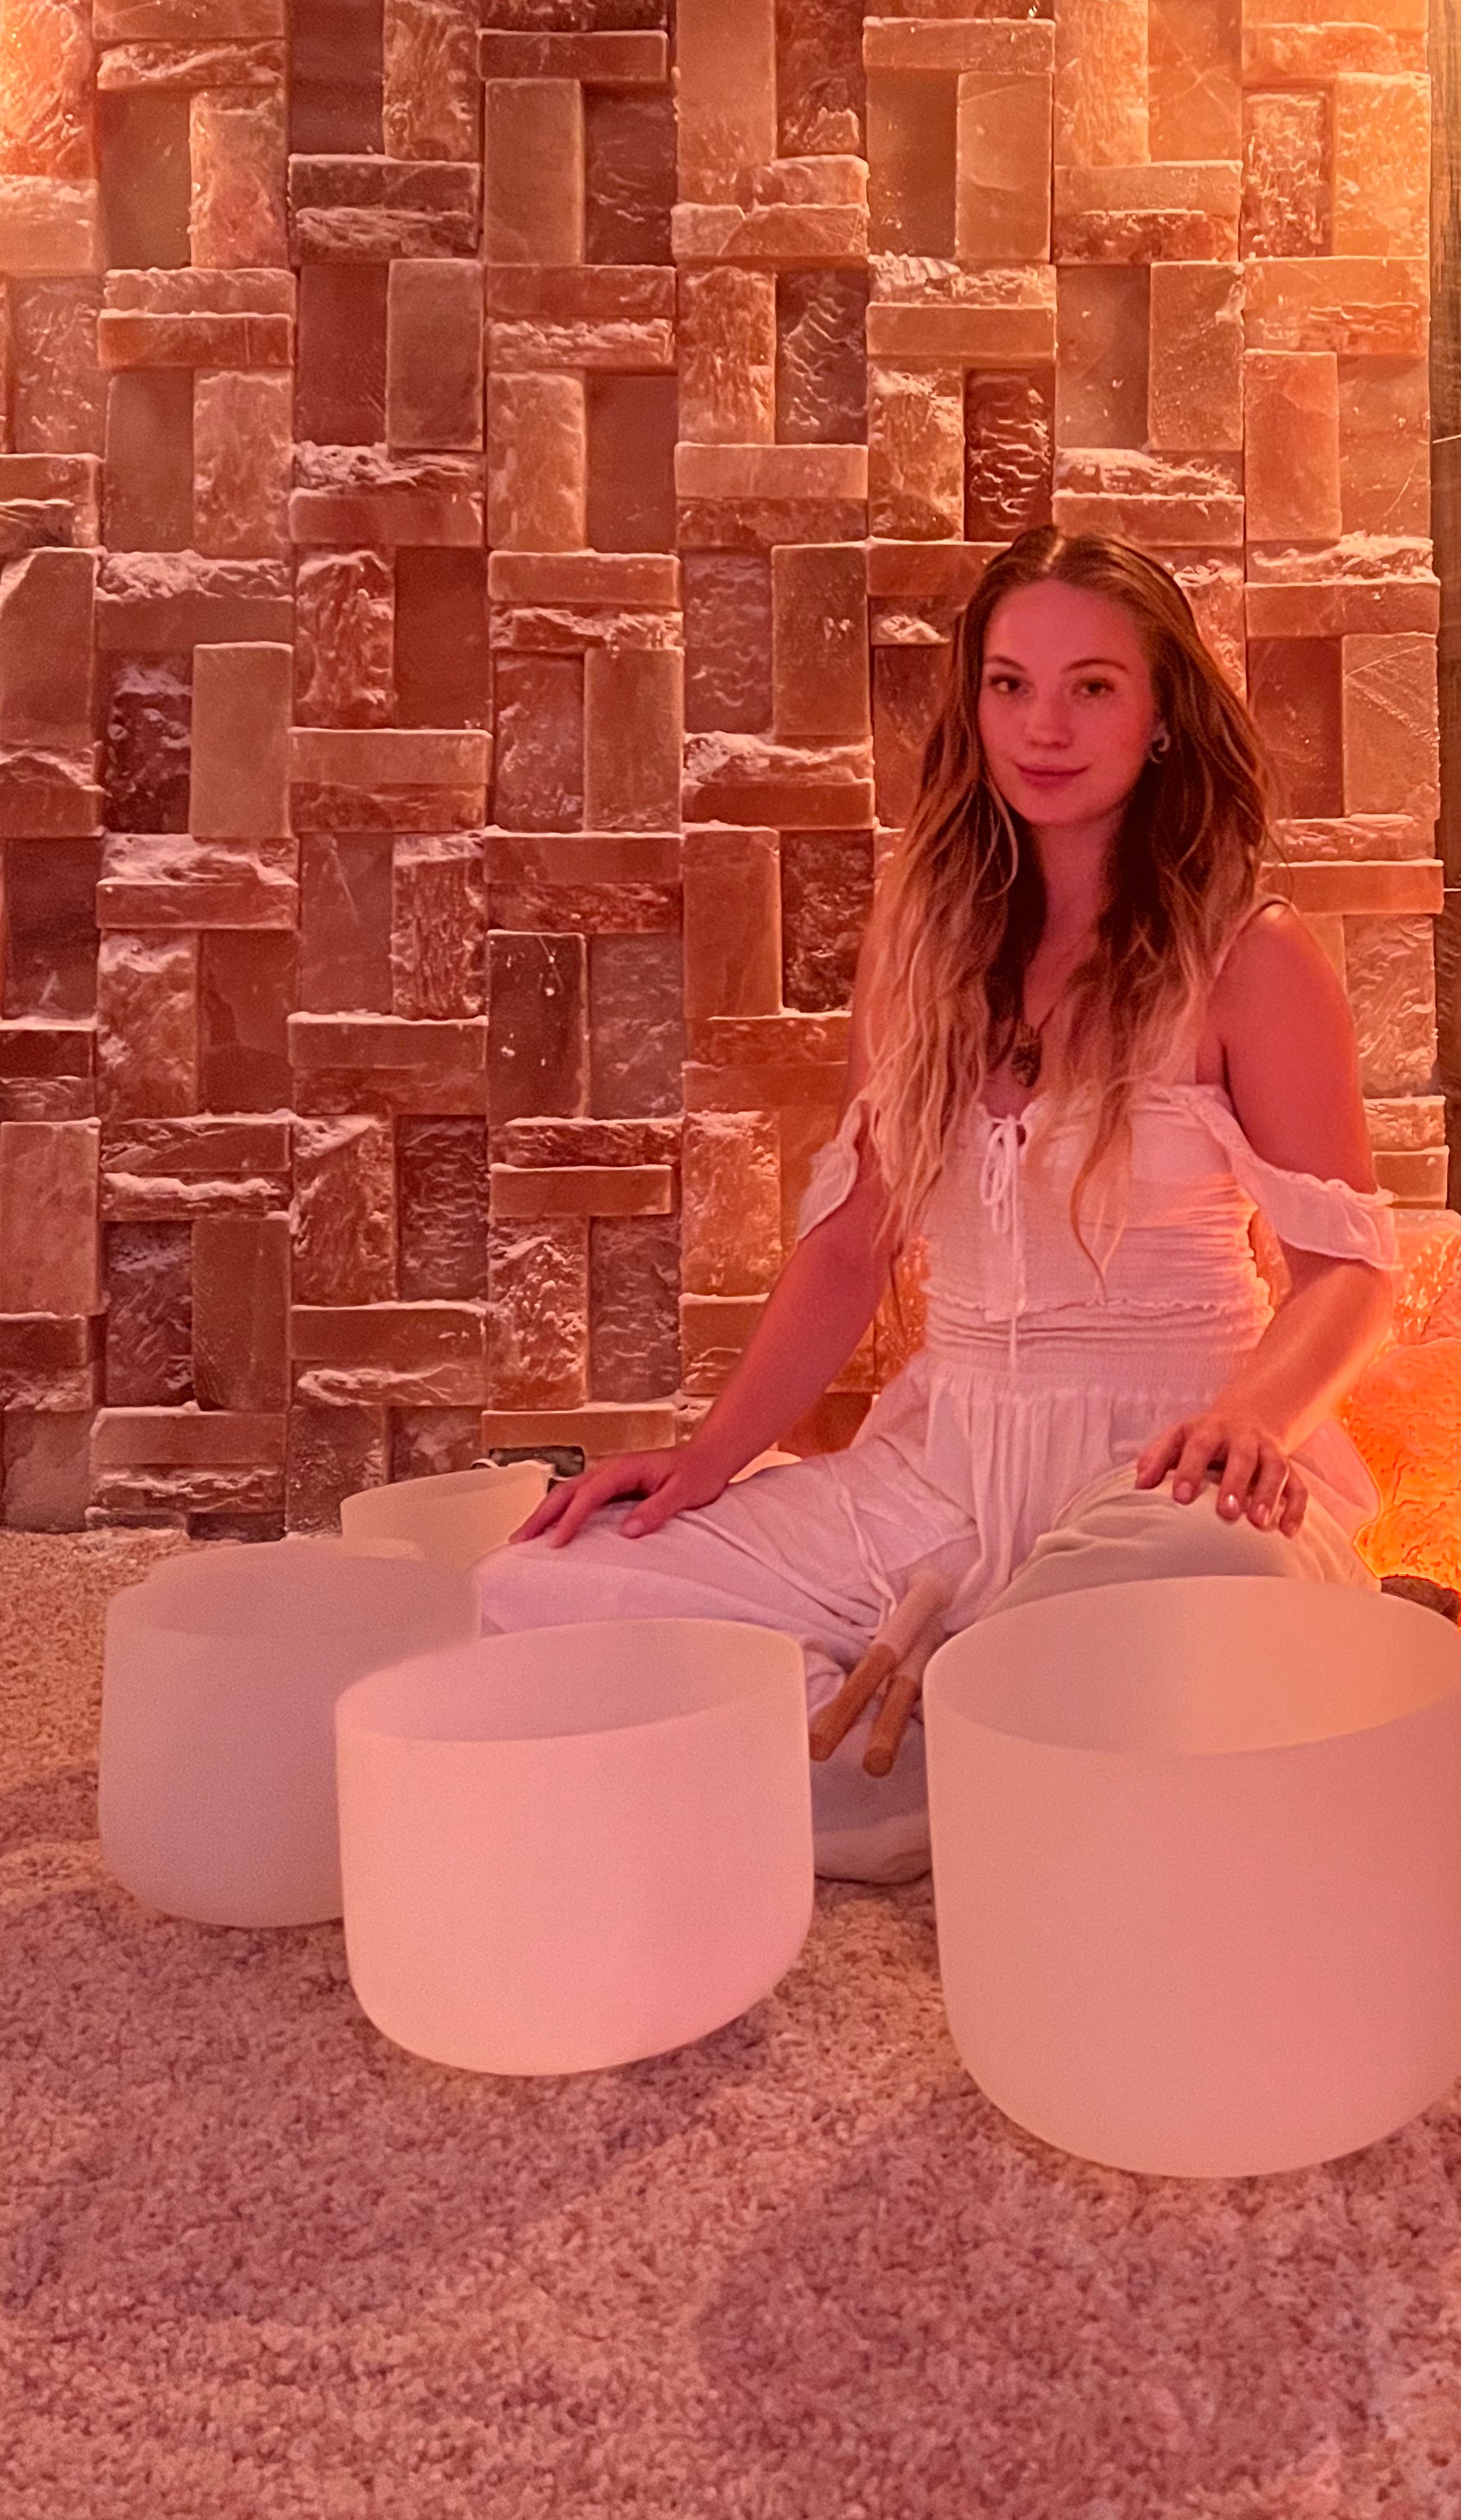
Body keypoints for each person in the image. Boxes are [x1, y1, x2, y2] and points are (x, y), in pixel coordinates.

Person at [476, 525, 1402, 1880]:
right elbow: (854, 1246)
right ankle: (966, 1751)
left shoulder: (1249, 957)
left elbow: (1349, 1273)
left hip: (1166, 1468)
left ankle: (953, 1712)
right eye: (1009, 685)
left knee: (1214, 1585)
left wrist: (1251, 1424)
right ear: (974, 706)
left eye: (1092, 686)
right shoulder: (921, 938)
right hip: (945, 1465)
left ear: (1159, 717)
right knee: (538, 1589)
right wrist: (712, 1456)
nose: (1044, 726)